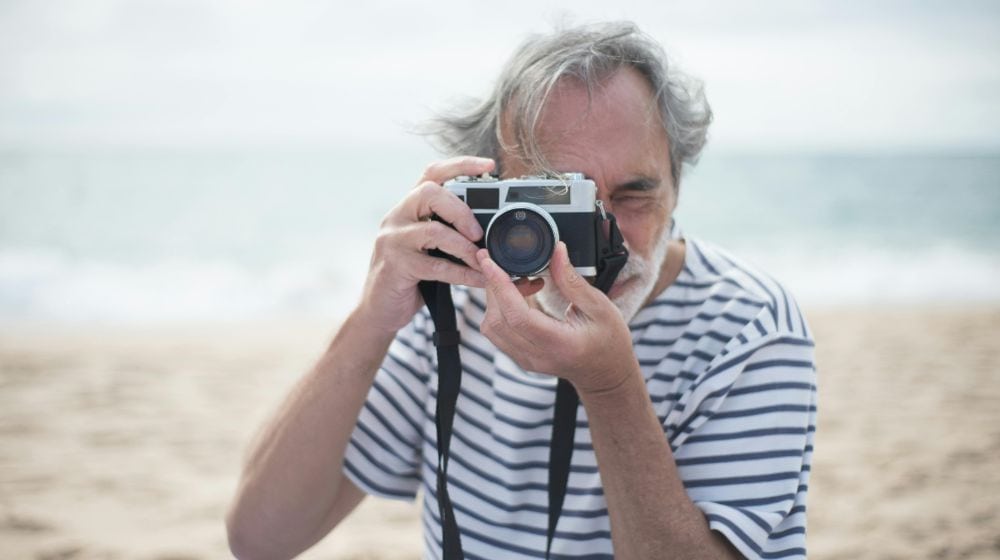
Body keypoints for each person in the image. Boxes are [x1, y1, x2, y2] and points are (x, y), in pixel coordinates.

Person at [226, 21, 817, 560]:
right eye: (561, 200)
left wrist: (609, 384)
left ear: (678, 186)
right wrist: (372, 320)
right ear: (491, 188)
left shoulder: (750, 327)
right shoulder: (457, 296)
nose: (603, 233)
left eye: (634, 195)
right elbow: (261, 539)